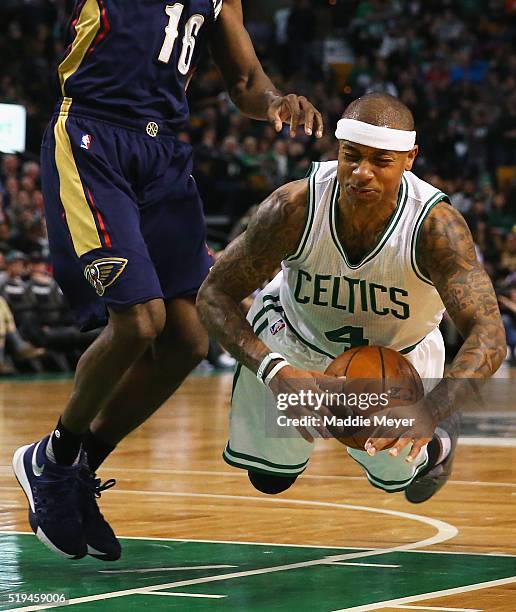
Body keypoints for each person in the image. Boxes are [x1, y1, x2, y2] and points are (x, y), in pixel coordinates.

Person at [13, 0, 323, 562]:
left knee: (187, 338)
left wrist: (275, 100)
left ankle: (77, 472)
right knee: (139, 322)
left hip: (162, 156)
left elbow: (247, 79)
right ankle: (52, 459)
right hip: (92, 137)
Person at [197, 92, 506, 500]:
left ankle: (441, 442)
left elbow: (489, 333)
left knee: (403, 477)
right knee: (269, 479)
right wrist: (274, 371)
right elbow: (213, 294)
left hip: (397, 355)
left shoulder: (436, 228)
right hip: (295, 339)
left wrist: (432, 410)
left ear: (410, 158)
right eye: (352, 156)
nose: (362, 173)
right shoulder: (293, 208)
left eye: (381, 161)